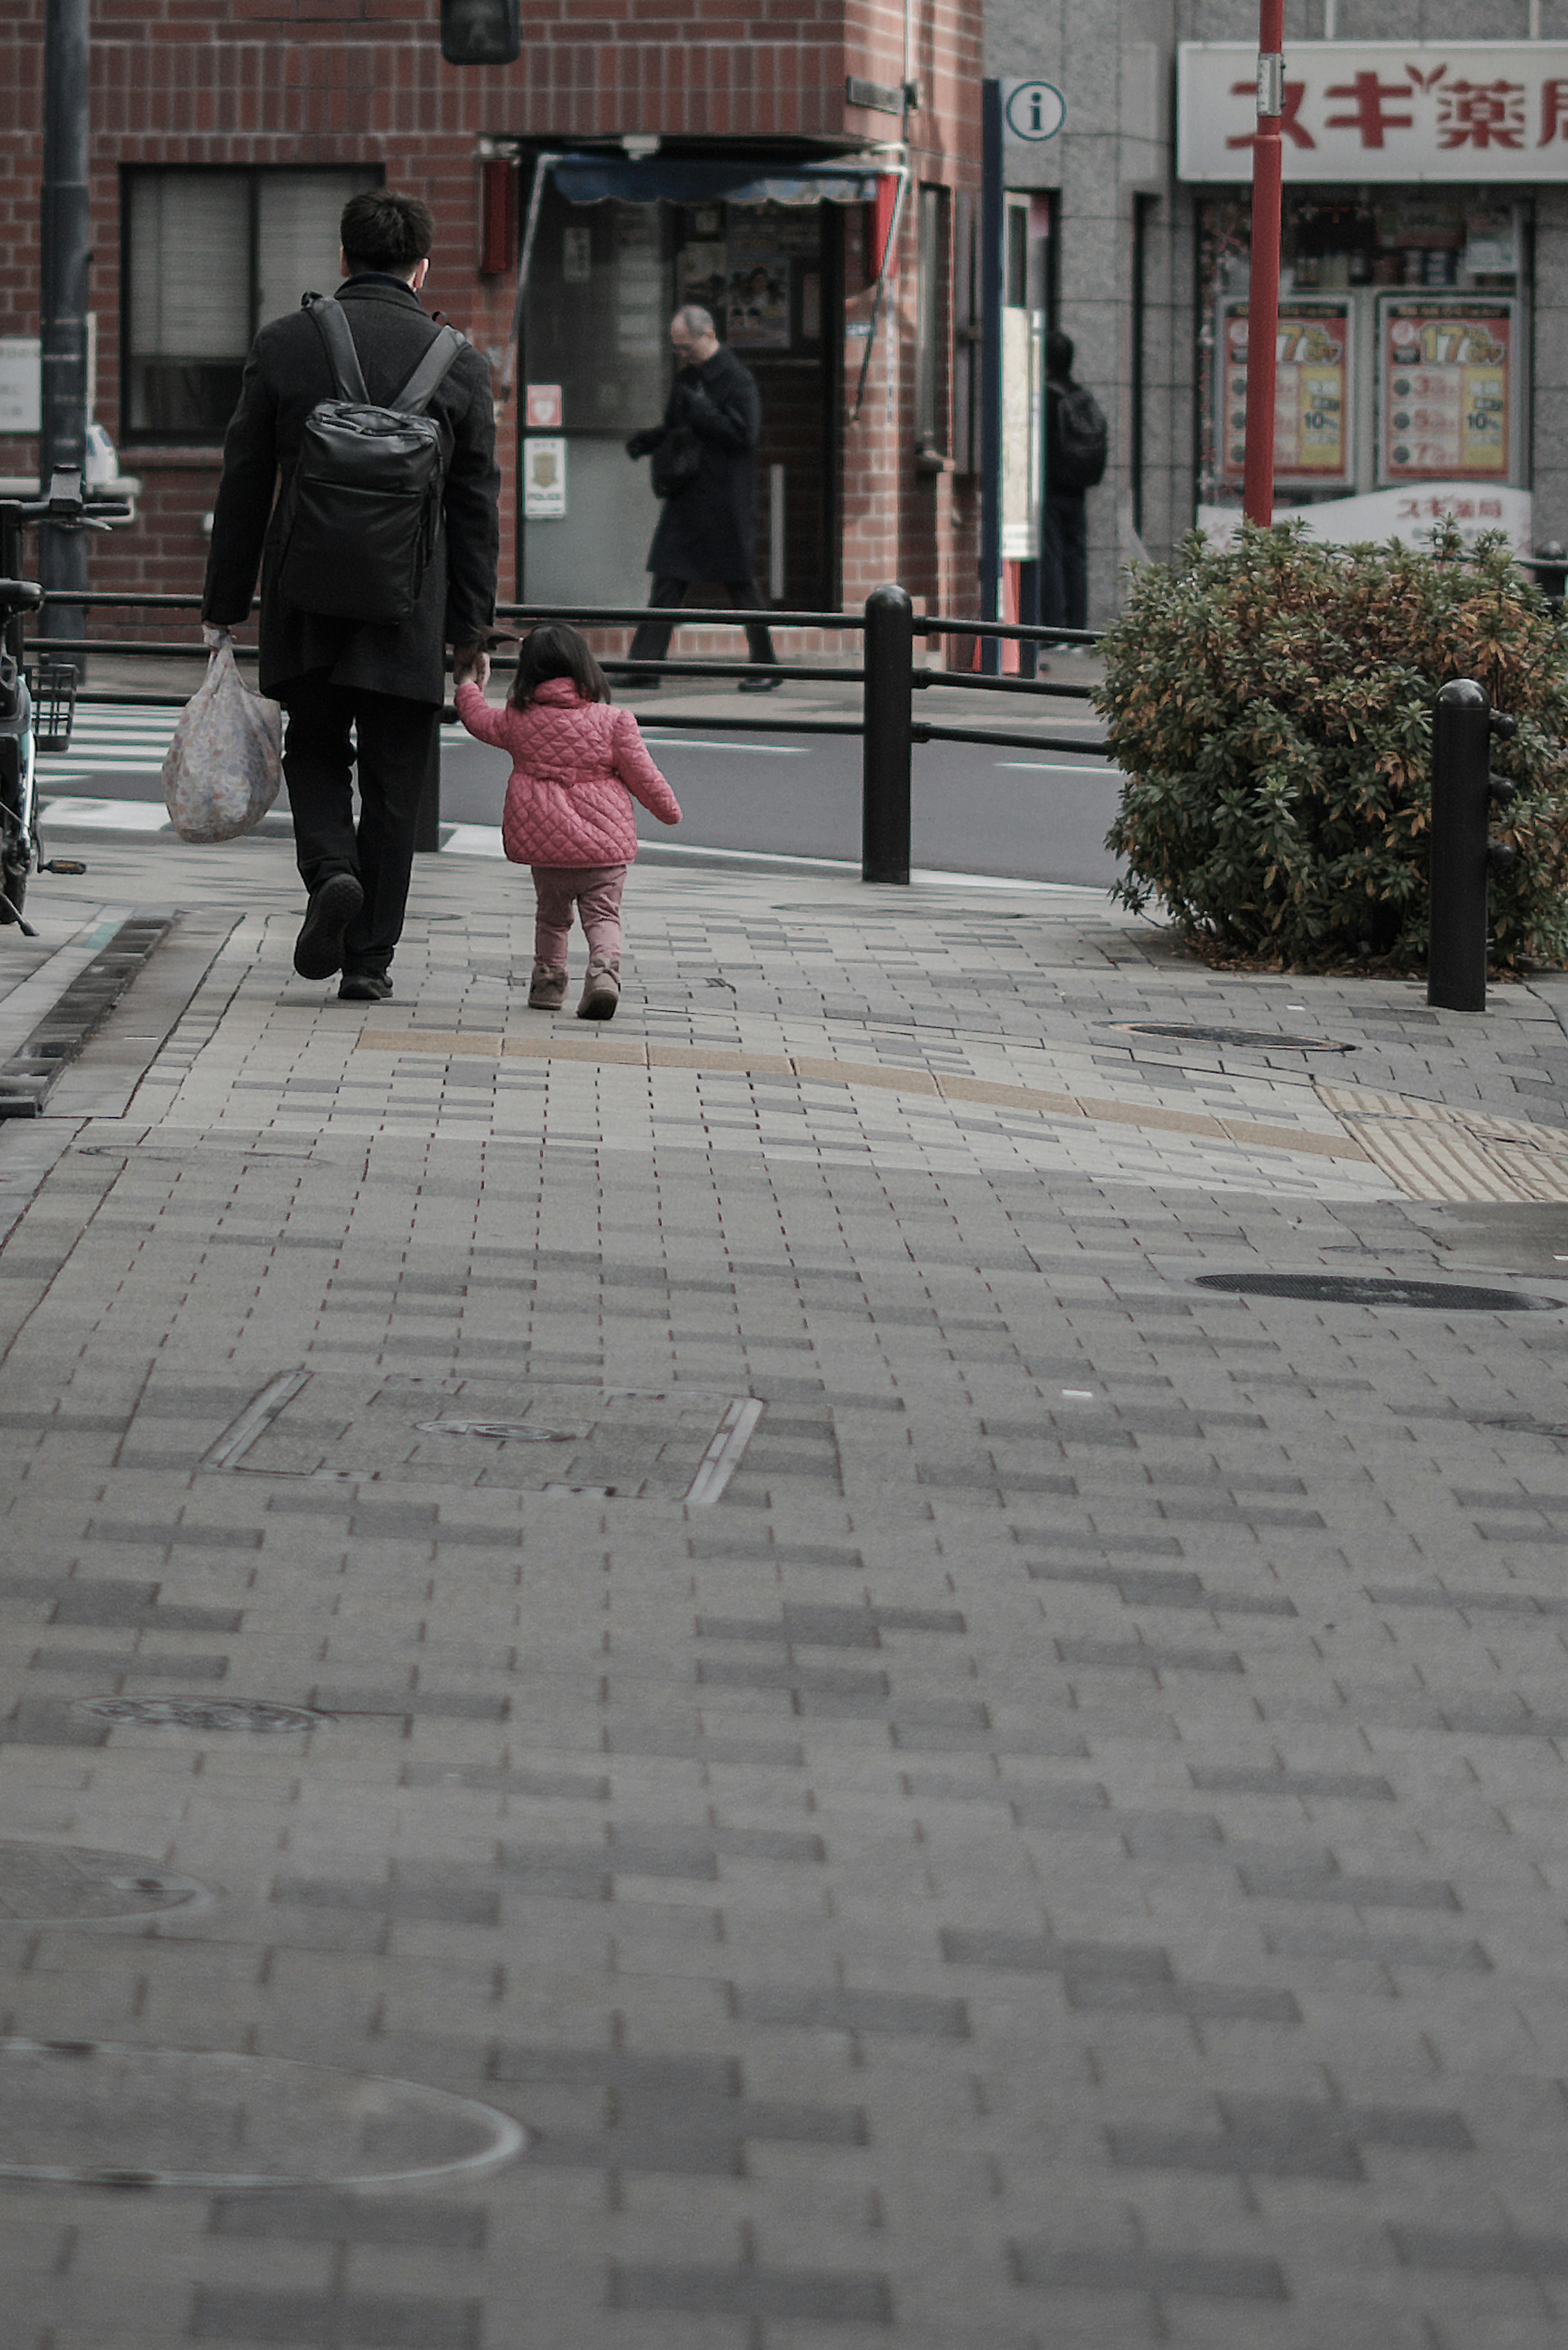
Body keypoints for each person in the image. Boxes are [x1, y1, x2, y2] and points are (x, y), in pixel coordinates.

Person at [202, 188, 500, 1001]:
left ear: (343, 259)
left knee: (316, 745)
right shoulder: (460, 364)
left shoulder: (286, 345)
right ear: (422, 265)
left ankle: (332, 869)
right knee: (399, 781)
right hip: (411, 602)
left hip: (306, 592)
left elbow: (244, 479)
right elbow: (477, 507)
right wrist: (472, 624)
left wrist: (224, 602)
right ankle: (369, 963)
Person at [452, 625, 681, 1022]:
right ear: (585, 667)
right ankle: (604, 974)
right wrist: (669, 812)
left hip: (548, 848)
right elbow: (646, 777)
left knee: (552, 918)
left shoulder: (518, 719)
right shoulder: (613, 721)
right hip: (604, 846)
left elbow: (476, 720)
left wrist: (470, 683)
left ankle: (548, 983)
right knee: (604, 917)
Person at [625, 306, 780, 692]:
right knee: (668, 581)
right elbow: (677, 427)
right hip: (689, 496)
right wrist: (651, 441)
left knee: (741, 584)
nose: (683, 355)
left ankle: (768, 665)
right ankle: (645, 666)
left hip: (726, 500)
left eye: (686, 347)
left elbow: (745, 434)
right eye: (678, 349)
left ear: (708, 334)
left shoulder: (737, 379)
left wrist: (705, 411)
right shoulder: (687, 378)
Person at [1041, 328, 1100, 640]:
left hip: (1049, 490)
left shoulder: (1047, 397)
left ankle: (1054, 628)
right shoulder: (1081, 395)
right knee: (1076, 557)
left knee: (1051, 556)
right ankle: (1078, 629)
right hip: (1076, 490)